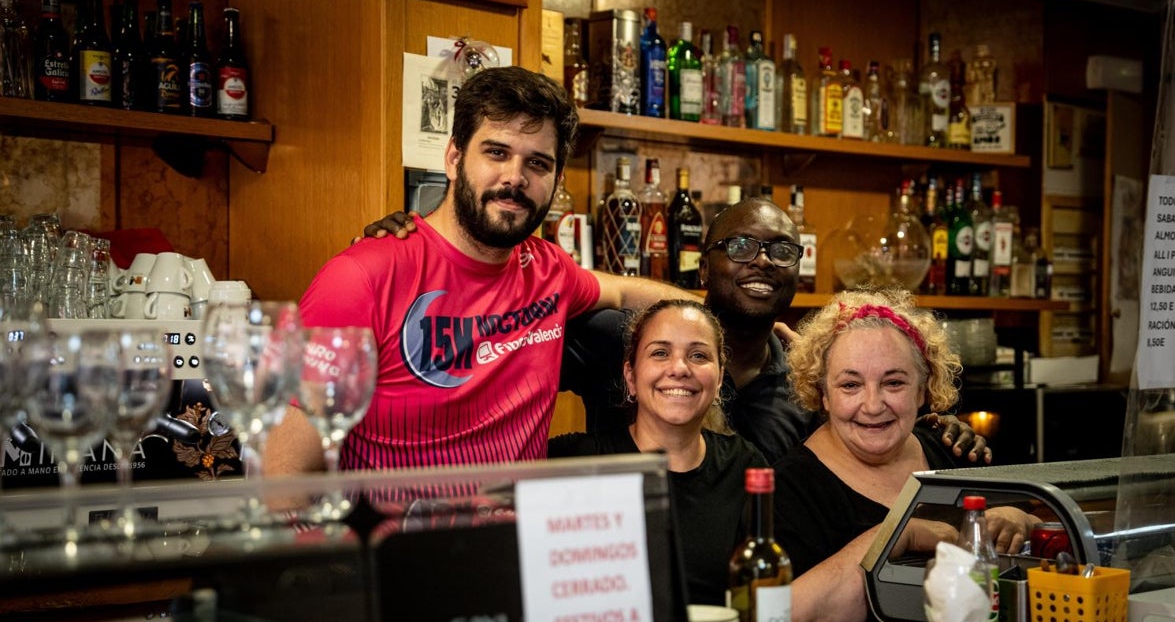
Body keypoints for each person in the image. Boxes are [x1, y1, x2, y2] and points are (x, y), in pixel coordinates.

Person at [263, 67, 695, 477]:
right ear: (453, 157)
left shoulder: (548, 268)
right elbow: (283, 479)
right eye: (496, 152)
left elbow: (622, 292)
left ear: (556, 178)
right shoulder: (360, 279)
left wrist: (740, 319)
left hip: (519, 542)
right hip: (400, 546)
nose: (515, 177)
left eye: (538, 164)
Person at [361, 197, 990, 466]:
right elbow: (494, 338)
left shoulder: (811, 378)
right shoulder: (622, 337)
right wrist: (424, 247)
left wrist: (930, 430)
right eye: (739, 246)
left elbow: (867, 427)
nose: (761, 261)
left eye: (780, 250)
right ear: (703, 263)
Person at [773, 288, 1040, 622]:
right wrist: (899, 534)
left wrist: (1018, 521)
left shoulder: (951, 450)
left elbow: (1039, 540)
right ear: (823, 394)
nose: (873, 404)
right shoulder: (789, 488)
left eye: (894, 382)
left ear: (923, 390)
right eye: (850, 384)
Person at [549, 298, 767, 606]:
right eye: (660, 353)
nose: (679, 368)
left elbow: (763, 590)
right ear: (630, 376)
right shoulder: (574, 463)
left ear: (719, 379)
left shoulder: (746, 466)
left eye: (698, 355)